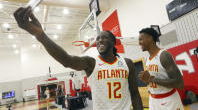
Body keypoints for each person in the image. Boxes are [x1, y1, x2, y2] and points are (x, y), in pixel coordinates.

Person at [13, 7, 143, 110]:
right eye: (97, 39)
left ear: (113, 42)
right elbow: (67, 60)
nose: (99, 40)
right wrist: (41, 35)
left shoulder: (127, 63)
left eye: (104, 37)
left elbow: (135, 93)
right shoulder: (90, 63)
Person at [138, 28, 184, 110]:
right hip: (153, 100)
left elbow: (179, 84)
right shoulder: (147, 59)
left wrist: (151, 79)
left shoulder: (164, 55)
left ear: (150, 38)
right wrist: (147, 81)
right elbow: (155, 79)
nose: (139, 43)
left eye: (141, 39)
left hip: (168, 100)